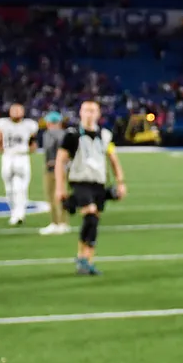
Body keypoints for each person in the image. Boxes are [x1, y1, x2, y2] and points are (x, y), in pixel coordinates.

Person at [54, 100, 127, 275]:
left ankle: (85, 259)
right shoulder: (72, 135)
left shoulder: (105, 135)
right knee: (91, 216)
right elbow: (60, 161)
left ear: (98, 114)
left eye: (93, 110)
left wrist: (120, 182)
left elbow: (113, 159)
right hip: (80, 181)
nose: (89, 114)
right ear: (80, 113)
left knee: (93, 222)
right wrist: (59, 187)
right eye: (86, 110)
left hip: (98, 183)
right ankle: (83, 260)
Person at [0, 103, 37, 226]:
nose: (17, 112)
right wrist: (4, 152)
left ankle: (20, 214)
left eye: (19, 110)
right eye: (15, 110)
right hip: (8, 157)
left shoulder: (29, 124)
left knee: (22, 188)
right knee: (9, 189)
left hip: (22, 157)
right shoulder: (3, 123)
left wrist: (28, 151)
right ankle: (14, 212)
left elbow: (33, 142)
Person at [38, 111, 70, 235]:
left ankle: (63, 223)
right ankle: (54, 222)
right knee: (50, 197)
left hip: (60, 169)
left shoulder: (62, 135)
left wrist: (58, 163)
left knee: (60, 195)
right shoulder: (47, 134)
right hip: (49, 169)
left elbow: (66, 153)